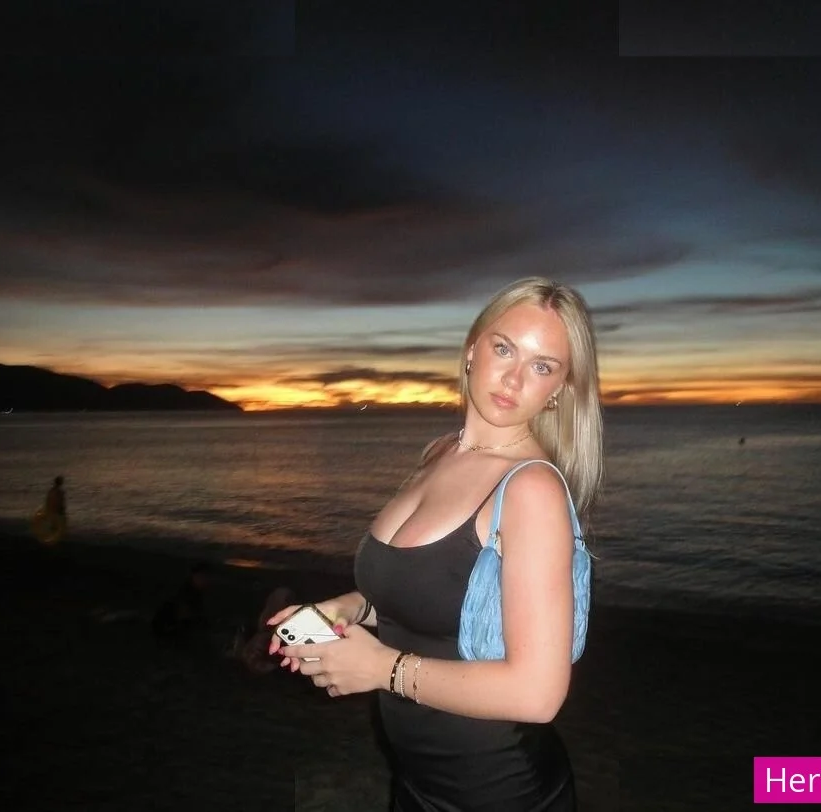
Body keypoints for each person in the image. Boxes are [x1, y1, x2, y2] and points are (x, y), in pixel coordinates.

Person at [268, 277, 604, 811]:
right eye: (504, 349)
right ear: (472, 350)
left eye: (542, 366)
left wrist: (382, 669)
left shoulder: (530, 490)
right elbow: (437, 592)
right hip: (418, 784)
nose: (514, 378)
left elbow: (538, 695)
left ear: (560, 388)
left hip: (499, 793)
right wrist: (350, 608)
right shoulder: (442, 453)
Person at [151, 560, 213, 640]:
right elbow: (184, 617)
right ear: (195, 576)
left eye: (207, 577)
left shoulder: (195, 593)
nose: (206, 580)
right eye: (203, 577)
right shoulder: (186, 593)